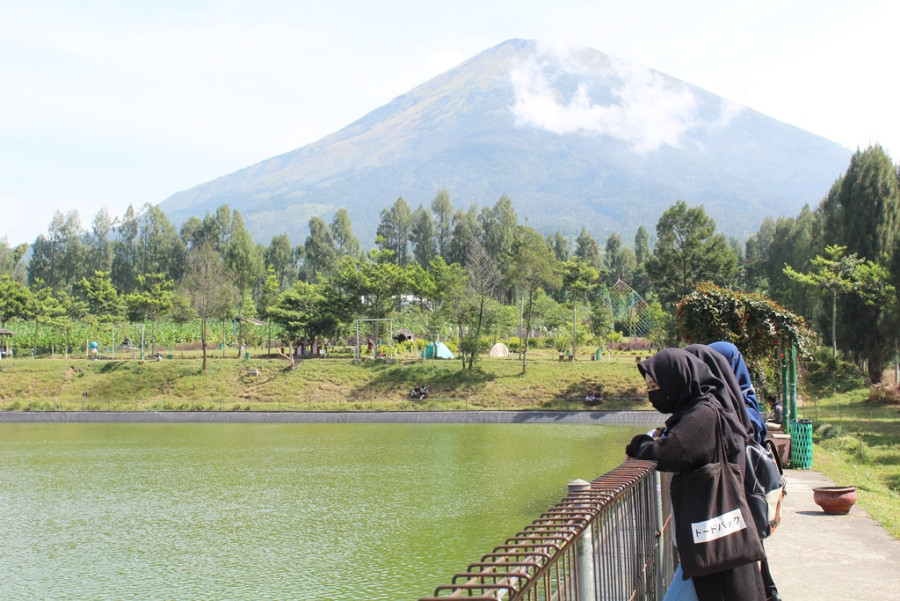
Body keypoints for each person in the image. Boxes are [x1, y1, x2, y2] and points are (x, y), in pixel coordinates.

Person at [626, 348, 766, 601]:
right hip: (717, 541)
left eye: (656, 386)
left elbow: (667, 453)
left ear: (677, 380)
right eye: (648, 387)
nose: (651, 394)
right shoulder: (701, 409)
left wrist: (639, 443)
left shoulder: (702, 414)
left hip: (714, 543)